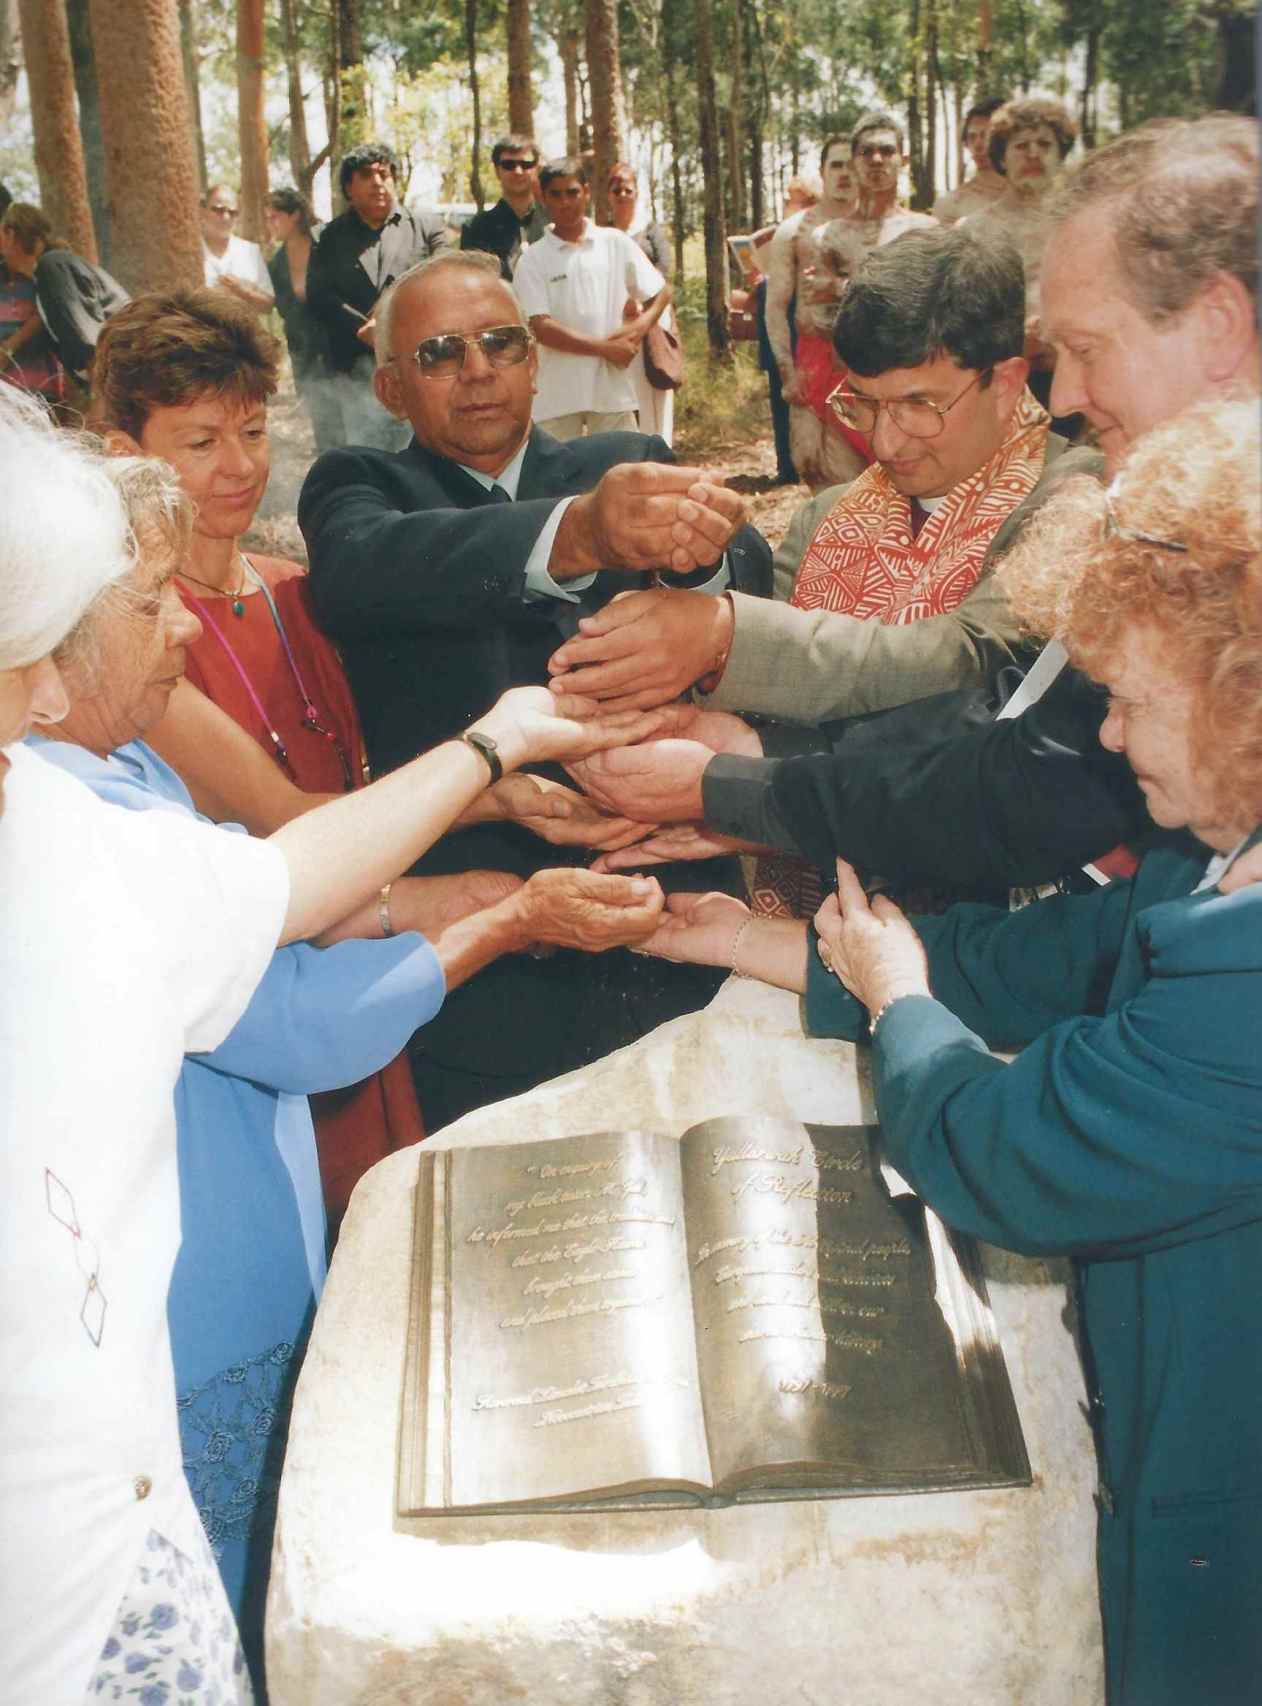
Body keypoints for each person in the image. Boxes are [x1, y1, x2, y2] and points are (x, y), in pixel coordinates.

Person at [0, 382, 671, 1703]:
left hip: (110, 1526)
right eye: (145, 605)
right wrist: (503, 901)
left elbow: (289, 881)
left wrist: (489, 770)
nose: (180, 624)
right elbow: (299, 1004)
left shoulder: (70, 822)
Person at [647, 396, 1262, 1706]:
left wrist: (905, 1011)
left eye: (1131, 702)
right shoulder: (1216, 858)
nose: (1103, 737)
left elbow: (1013, 1152)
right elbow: (1051, 960)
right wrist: (744, 940)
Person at [568, 115, 1262, 904]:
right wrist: (697, 581)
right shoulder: (831, 513)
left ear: (1002, 382)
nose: (1062, 394)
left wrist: (728, 657)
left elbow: (983, 715)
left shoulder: (1084, 502)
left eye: (1089, 350)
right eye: (865, 406)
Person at [299, 248, 769, 1129]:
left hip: (674, 915)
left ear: (535, 361)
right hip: (491, 955)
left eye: (500, 344)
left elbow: (745, 573)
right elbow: (363, 573)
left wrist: (697, 556)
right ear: (391, 388)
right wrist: (578, 534)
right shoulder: (362, 491)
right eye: (441, 353)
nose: (477, 372)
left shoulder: (626, 457)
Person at [307, 142, 453, 451]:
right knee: (372, 458)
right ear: (349, 187)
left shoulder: (427, 227)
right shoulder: (326, 237)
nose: (378, 182)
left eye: (384, 174)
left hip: (420, 367)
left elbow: (444, 278)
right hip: (354, 373)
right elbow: (320, 296)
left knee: (429, 455)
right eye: (366, 175)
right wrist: (364, 330)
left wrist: (388, 322)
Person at [514, 157, 671, 440]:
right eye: (556, 194)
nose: (565, 202)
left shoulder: (615, 243)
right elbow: (541, 327)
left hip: (611, 390)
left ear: (586, 191)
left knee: (622, 475)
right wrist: (605, 349)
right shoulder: (533, 259)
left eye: (572, 192)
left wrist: (638, 328)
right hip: (556, 396)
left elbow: (660, 292)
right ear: (543, 198)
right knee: (559, 482)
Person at [764, 134, 870, 490]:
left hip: (867, 362)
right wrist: (787, 373)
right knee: (812, 463)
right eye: (835, 165)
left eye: (849, 164)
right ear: (822, 172)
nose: (843, 173)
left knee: (874, 470)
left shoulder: (878, 229)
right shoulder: (793, 232)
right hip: (812, 363)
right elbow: (775, 308)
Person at [967, 97, 1077, 413]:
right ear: (1001, 157)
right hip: (998, 387)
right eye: (1020, 145)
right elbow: (960, 318)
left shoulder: (1083, 224)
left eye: (1044, 144)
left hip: (1074, 382)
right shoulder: (975, 230)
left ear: (1060, 154)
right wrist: (1014, 343)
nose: (1033, 153)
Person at [0, 201, 128, 391]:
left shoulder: (52, 267)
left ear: (10, 235)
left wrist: (100, 403)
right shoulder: (46, 274)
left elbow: (90, 348)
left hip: (126, 370)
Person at [606, 161, 676, 445]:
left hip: (652, 318)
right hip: (618, 320)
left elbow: (665, 271)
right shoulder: (604, 234)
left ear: (636, 193)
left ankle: (660, 448)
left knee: (654, 387)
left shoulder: (649, 230)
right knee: (624, 391)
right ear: (608, 195)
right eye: (616, 189)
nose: (622, 194)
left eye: (628, 189)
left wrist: (639, 301)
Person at [266, 185, 337, 451]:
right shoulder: (277, 262)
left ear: (294, 215)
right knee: (323, 426)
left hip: (339, 351)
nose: (270, 224)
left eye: (274, 217)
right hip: (304, 354)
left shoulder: (327, 244)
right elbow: (280, 306)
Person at [459, 132, 547, 280]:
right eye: (509, 165)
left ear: (536, 169)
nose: (518, 171)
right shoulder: (476, 228)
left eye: (526, 164)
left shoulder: (555, 222)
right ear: (496, 170)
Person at [200, 183, 275, 314]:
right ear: (203, 211)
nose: (225, 217)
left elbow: (268, 306)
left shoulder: (250, 251)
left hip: (243, 333)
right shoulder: (190, 252)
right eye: (218, 210)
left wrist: (242, 291)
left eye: (232, 212)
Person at [933, 95, 1008, 224]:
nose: (978, 144)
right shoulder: (951, 203)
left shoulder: (1034, 195)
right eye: (972, 137)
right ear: (965, 143)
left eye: (986, 135)